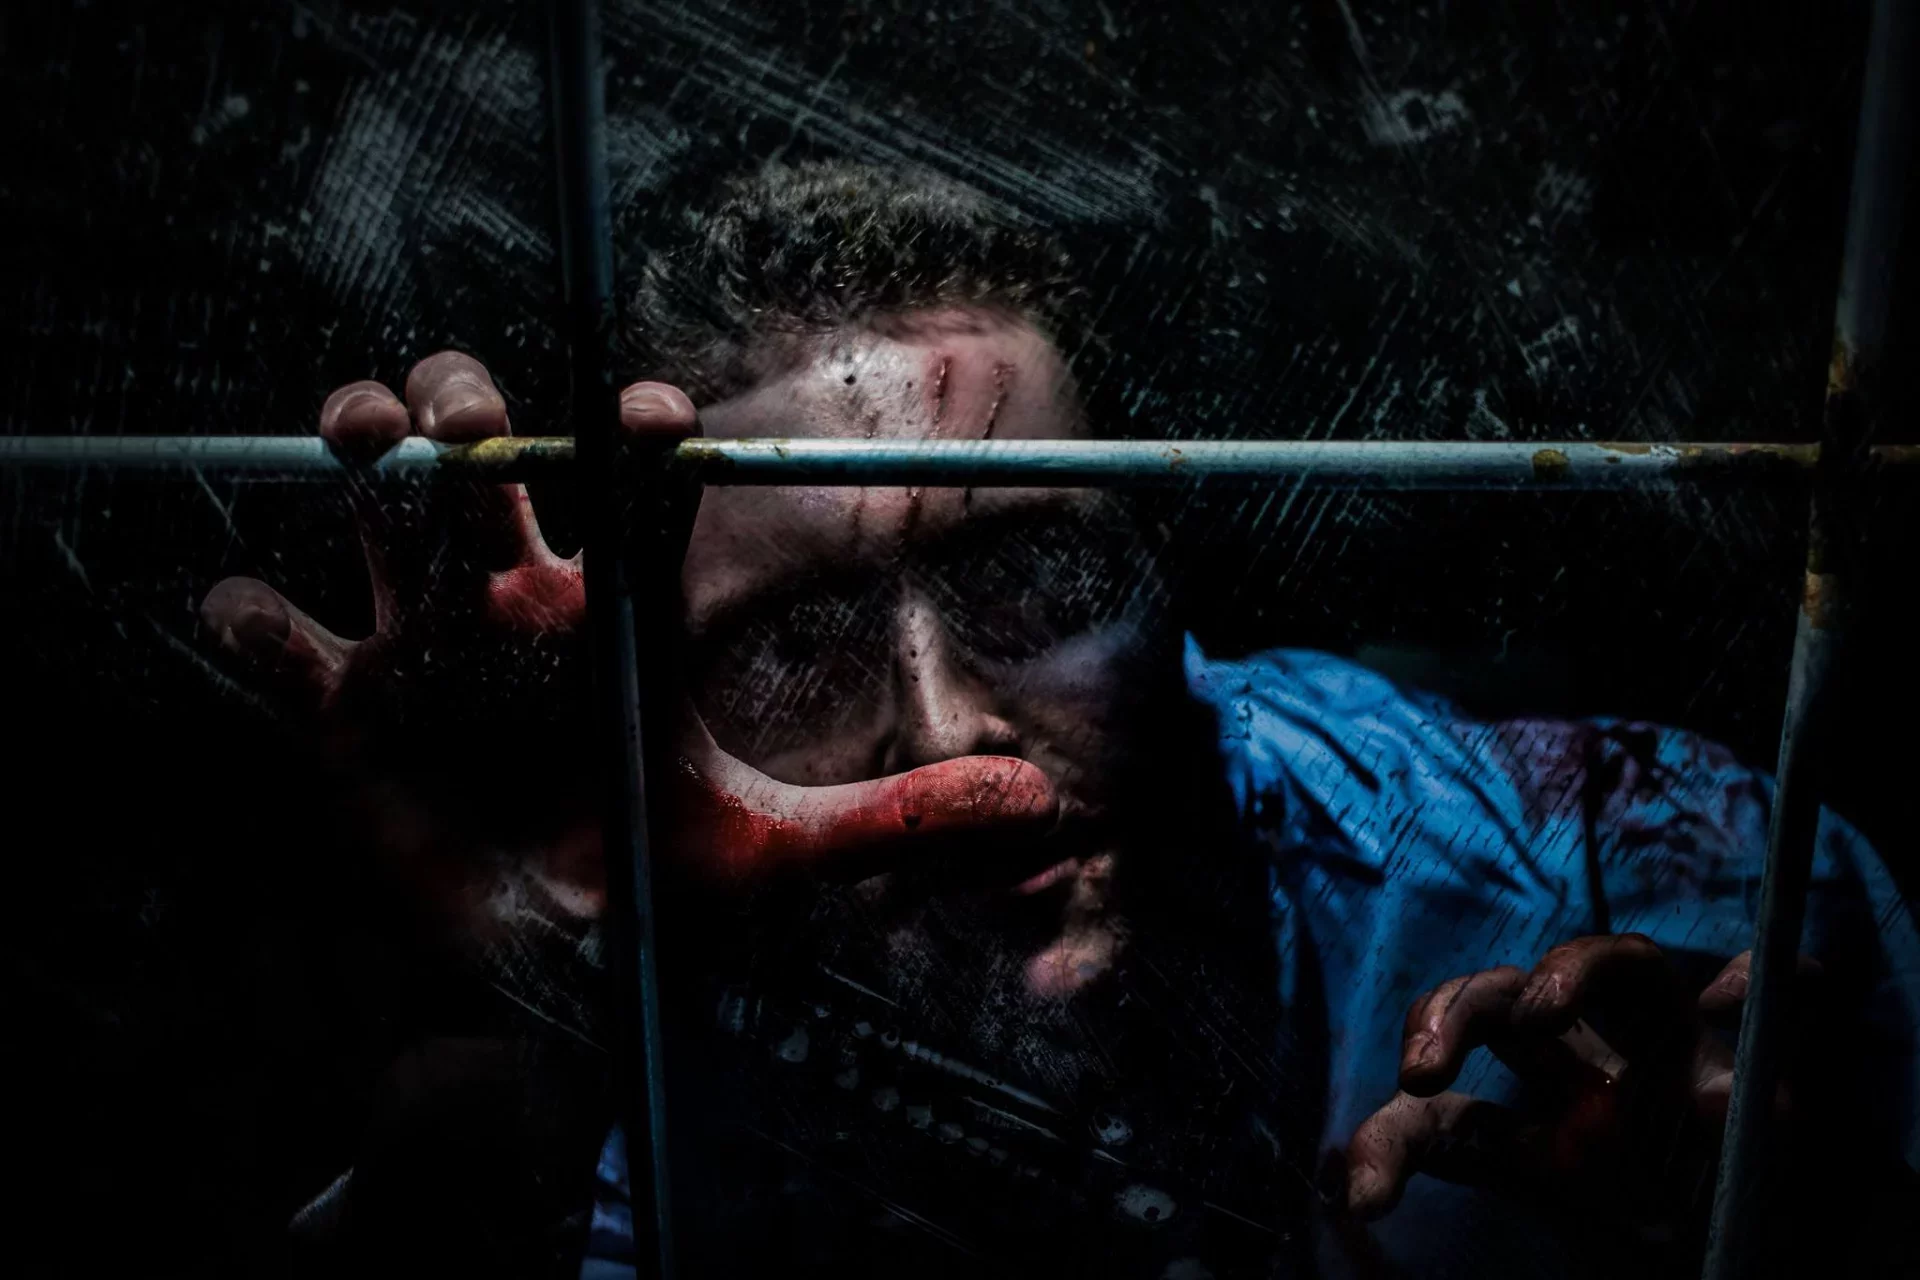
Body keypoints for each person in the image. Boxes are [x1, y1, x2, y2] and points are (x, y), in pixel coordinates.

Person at [202, 162, 1919, 1278]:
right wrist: (524, 1012)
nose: (951, 730)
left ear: (1170, 568)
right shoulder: (658, 969)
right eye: (795, 649)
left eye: (1035, 580)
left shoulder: (1613, 885)